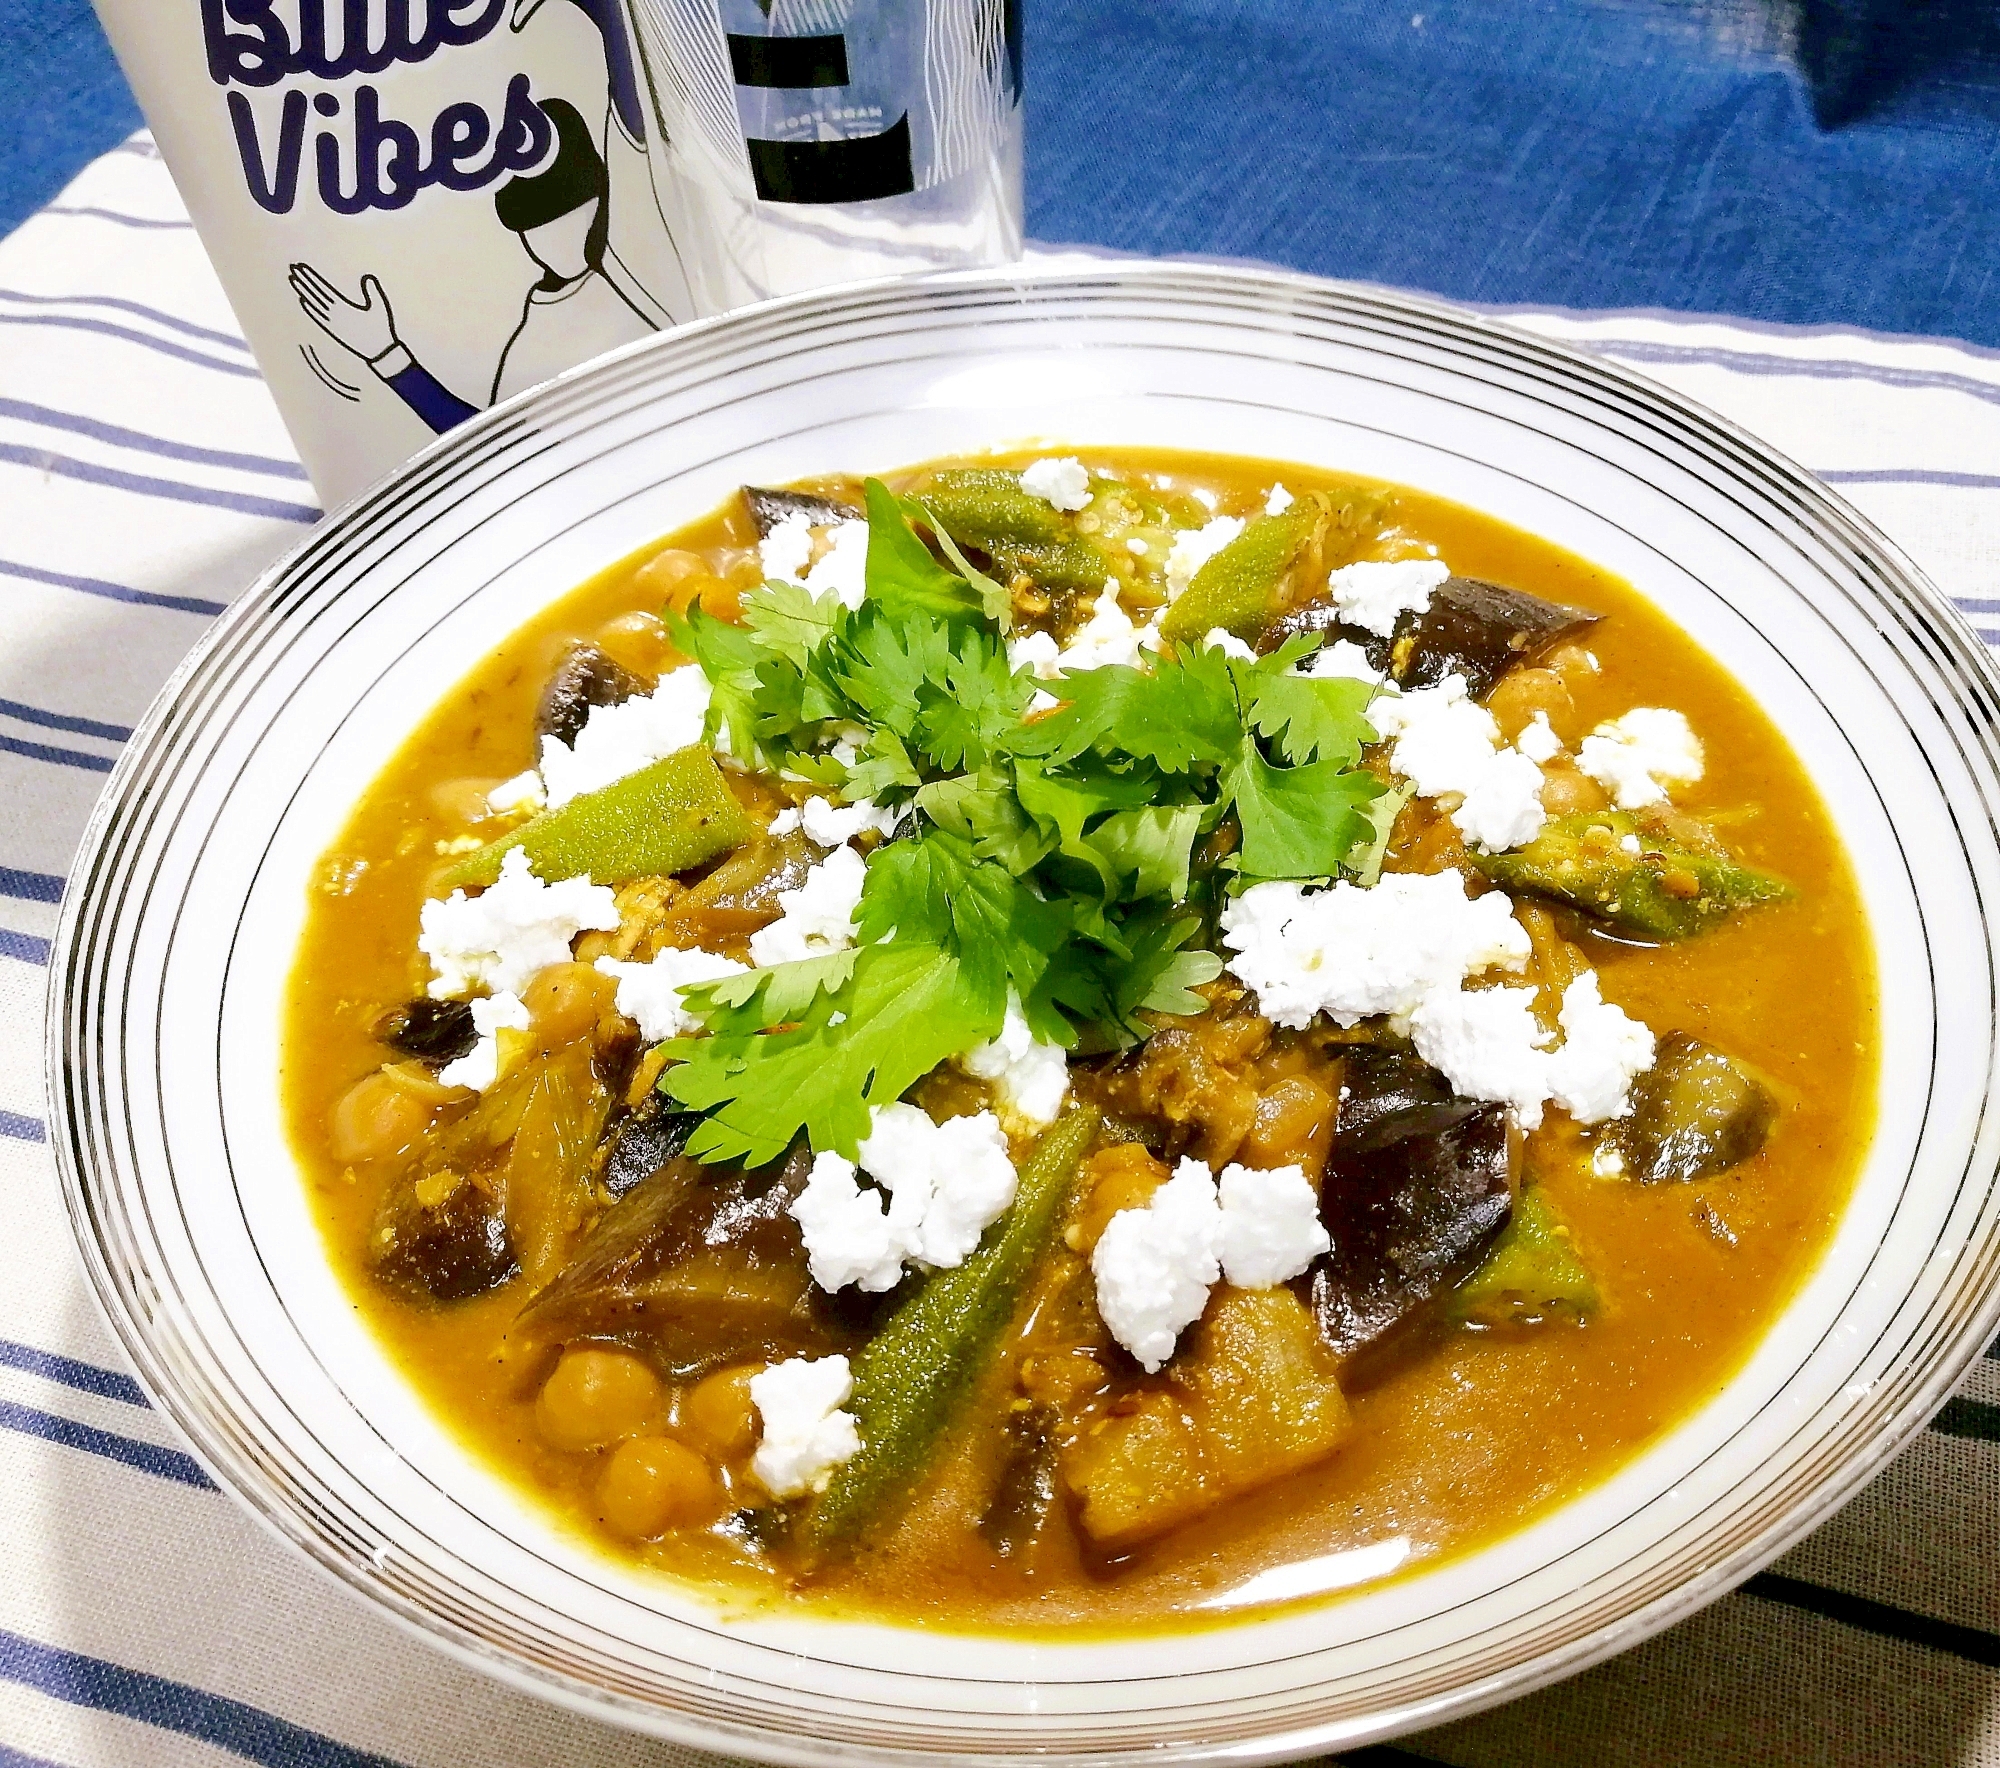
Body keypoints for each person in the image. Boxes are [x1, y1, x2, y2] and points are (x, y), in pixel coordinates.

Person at [289, 98, 656, 435]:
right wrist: (387, 355)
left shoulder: (631, 255)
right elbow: (497, 446)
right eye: (534, 225)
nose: (554, 239)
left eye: (569, 211)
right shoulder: (542, 317)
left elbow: (627, 115)